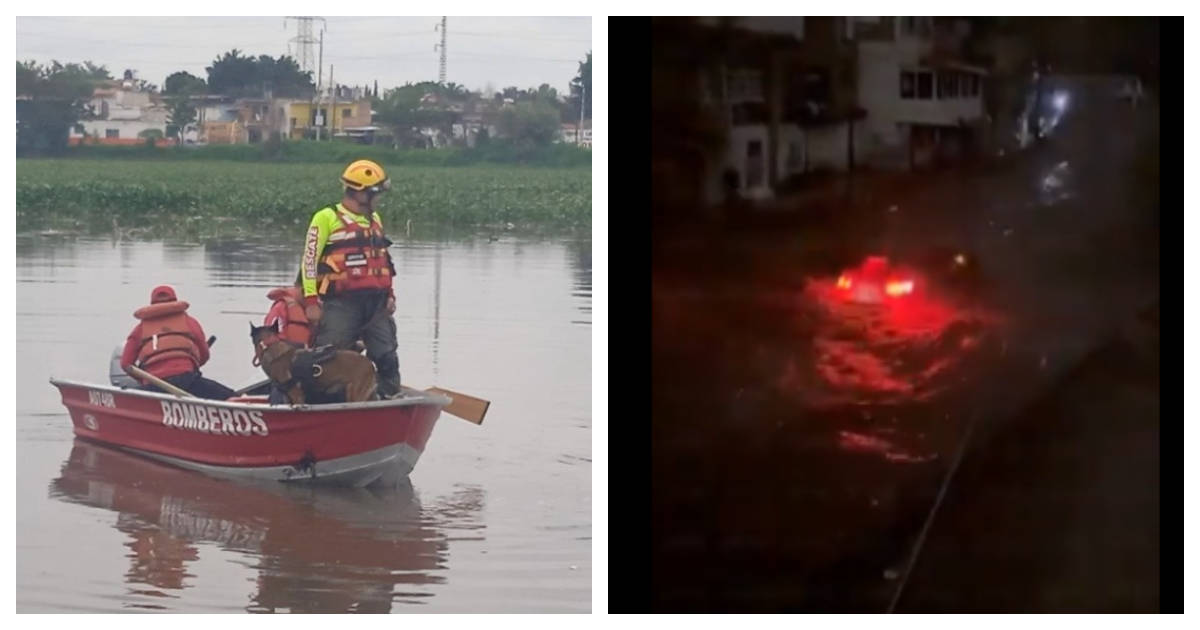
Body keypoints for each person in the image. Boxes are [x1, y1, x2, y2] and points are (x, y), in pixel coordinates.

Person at [299, 159, 402, 398]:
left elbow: (383, 262)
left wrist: (390, 295)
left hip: (376, 304)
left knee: (386, 356)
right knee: (329, 357)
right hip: (340, 302)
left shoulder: (375, 220)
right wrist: (312, 301)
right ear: (358, 192)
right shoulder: (326, 217)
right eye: (374, 193)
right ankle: (321, 405)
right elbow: (309, 261)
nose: (378, 199)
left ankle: (388, 401)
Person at [121, 285, 235, 400]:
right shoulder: (190, 322)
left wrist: (145, 380)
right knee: (231, 397)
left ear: (152, 303)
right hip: (188, 380)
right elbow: (204, 355)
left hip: (154, 385)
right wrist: (190, 367)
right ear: (175, 300)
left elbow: (125, 363)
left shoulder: (140, 329)